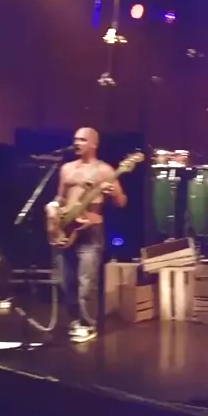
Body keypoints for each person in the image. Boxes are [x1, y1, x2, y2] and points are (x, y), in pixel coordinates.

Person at [45, 127, 127, 343]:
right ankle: (76, 319)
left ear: (94, 144)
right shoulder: (66, 168)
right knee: (66, 281)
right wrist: (53, 208)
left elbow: (121, 202)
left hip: (91, 230)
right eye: (75, 139)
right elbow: (60, 197)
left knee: (87, 281)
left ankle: (88, 324)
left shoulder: (105, 170)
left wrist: (114, 193)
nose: (77, 143)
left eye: (82, 140)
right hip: (66, 227)